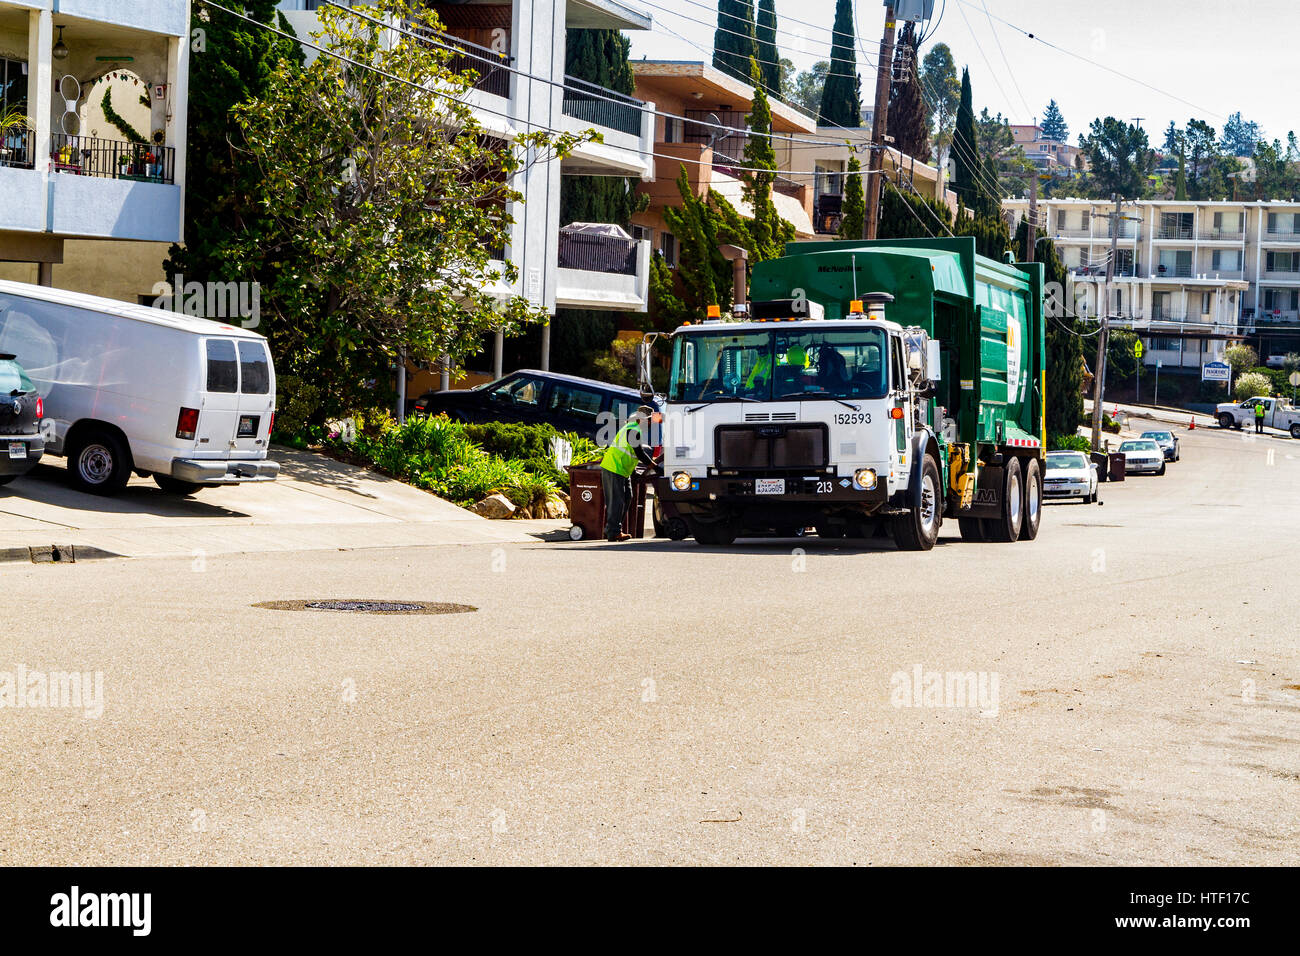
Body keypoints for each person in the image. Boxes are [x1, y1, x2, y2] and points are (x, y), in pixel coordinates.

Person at [601, 406, 658, 542]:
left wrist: (634, 472)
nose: (650, 424)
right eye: (649, 421)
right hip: (614, 468)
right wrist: (656, 468)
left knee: (627, 497)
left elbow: (629, 453)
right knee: (617, 501)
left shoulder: (633, 428)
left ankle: (613, 530)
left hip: (621, 470)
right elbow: (639, 453)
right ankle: (613, 531)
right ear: (641, 420)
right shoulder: (633, 429)